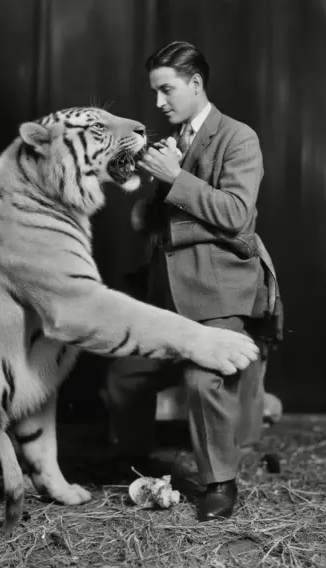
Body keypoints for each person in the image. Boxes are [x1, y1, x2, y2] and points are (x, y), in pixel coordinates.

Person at [105, 41, 282, 522]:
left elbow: (237, 214)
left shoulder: (238, 137)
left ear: (196, 83)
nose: (159, 102)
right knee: (124, 373)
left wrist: (176, 177)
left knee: (202, 379)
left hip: (218, 294)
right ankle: (135, 461)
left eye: (167, 90)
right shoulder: (174, 142)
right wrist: (150, 183)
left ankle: (220, 482)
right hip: (168, 297)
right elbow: (149, 225)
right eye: (155, 92)